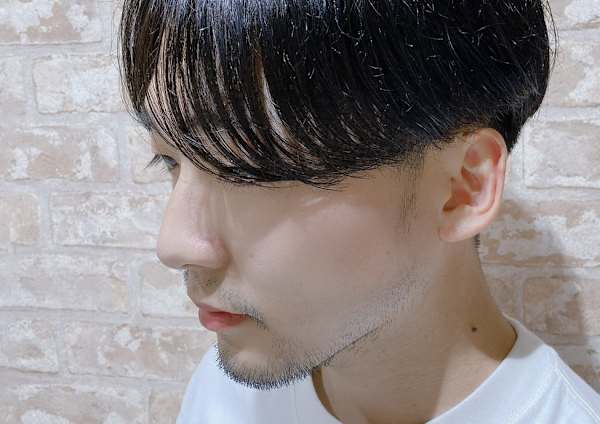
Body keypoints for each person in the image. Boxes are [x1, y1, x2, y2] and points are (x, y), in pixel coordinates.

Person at [118, 0, 600, 423]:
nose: (172, 244)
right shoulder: (226, 391)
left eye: (247, 170)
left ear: (461, 187)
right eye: (170, 161)